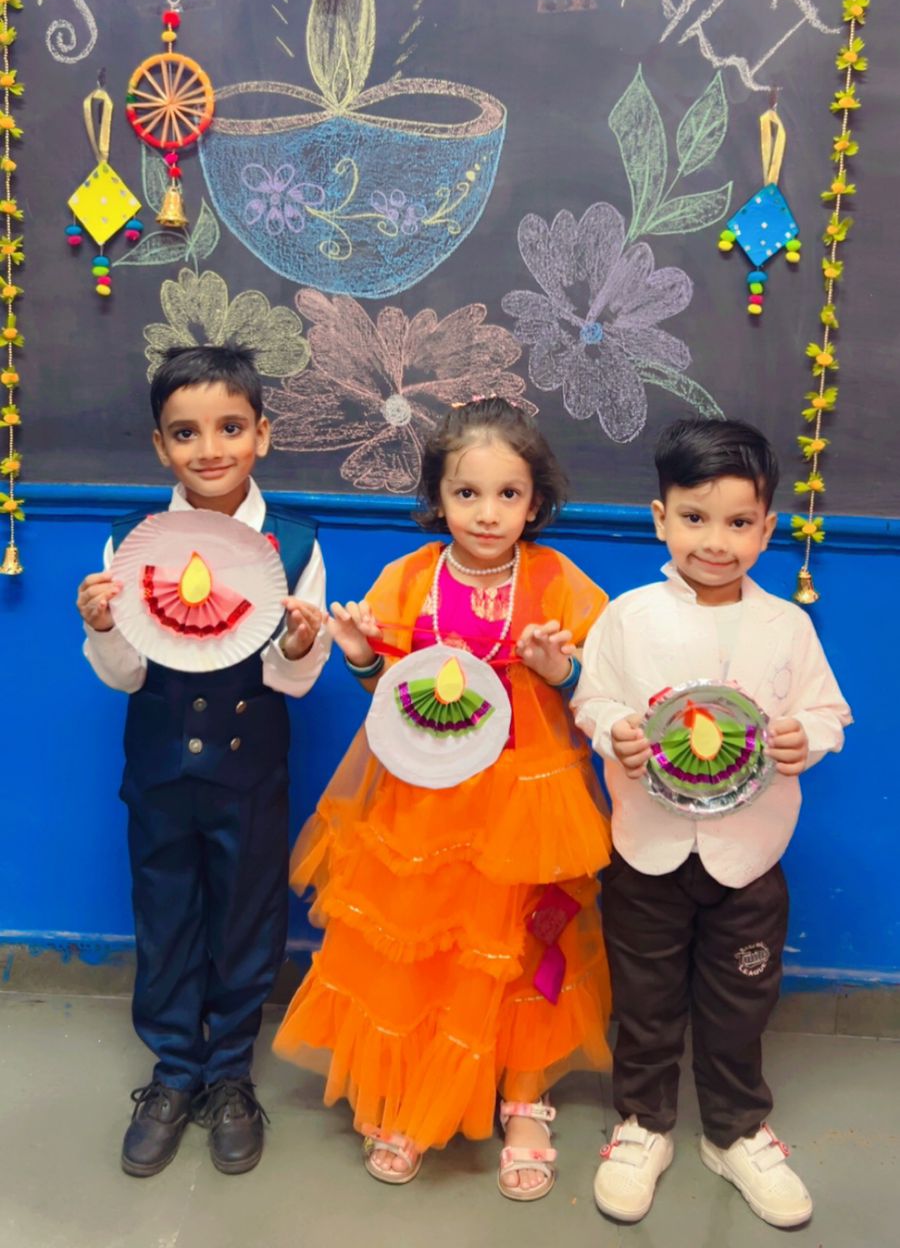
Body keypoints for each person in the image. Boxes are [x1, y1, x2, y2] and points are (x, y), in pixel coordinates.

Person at [274, 398, 611, 1199]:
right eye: (467, 493)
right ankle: (409, 1086)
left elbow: (597, 688)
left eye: (508, 494)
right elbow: (390, 696)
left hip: (525, 804)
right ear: (438, 497)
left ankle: (523, 1096)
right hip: (425, 801)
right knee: (423, 942)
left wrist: (557, 668)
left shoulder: (559, 581)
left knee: (522, 945)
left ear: (535, 501)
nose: (487, 513)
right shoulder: (411, 578)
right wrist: (361, 657)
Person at [572, 417, 850, 1230]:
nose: (716, 541)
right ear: (661, 518)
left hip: (748, 857)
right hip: (646, 850)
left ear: (768, 528)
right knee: (646, 997)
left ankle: (734, 1131)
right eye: (695, 518)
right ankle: (643, 1123)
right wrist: (613, 728)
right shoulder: (628, 616)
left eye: (738, 522)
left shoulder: (787, 625)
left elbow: (829, 712)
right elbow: (591, 697)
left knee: (740, 1002)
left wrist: (808, 738)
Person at [77, 344, 329, 1178]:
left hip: (248, 774)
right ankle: (174, 1071)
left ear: (263, 434)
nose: (209, 448)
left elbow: (294, 682)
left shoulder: (294, 546)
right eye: (185, 432)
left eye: (230, 427)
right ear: (161, 446)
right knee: (166, 915)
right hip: (158, 772)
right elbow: (125, 675)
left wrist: (301, 641)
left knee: (247, 921)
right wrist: (104, 625)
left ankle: (228, 1075)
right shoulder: (130, 542)